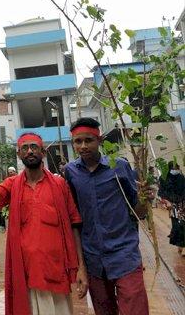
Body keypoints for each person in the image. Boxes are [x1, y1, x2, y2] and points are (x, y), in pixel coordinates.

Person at [0, 133, 87, 315]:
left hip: (56, 272)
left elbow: (74, 224)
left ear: (43, 152)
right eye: (25, 148)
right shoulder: (12, 185)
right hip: (25, 273)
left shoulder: (60, 185)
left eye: (34, 147)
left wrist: (81, 268)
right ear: (19, 154)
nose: (30, 151)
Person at [64, 117, 153, 315]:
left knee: (136, 310)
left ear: (100, 140)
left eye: (89, 140)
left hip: (125, 255)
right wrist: (80, 266)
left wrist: (144, 200)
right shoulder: (70, 172)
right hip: (93, 260)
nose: (83, 146)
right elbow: (75, 220)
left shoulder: (119, 167)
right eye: (78, 142)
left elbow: (138, 212)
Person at [158, 161, 185, 255]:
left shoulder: (181, 177)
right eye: (173, 168)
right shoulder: (164, 178)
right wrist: (166, 202)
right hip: (172, 205)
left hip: (182, 204)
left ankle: (182, 246)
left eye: (176, 168)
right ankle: (180, 245)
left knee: (183, 224)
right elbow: (161, 192)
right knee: (177, 225)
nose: (175, 170)